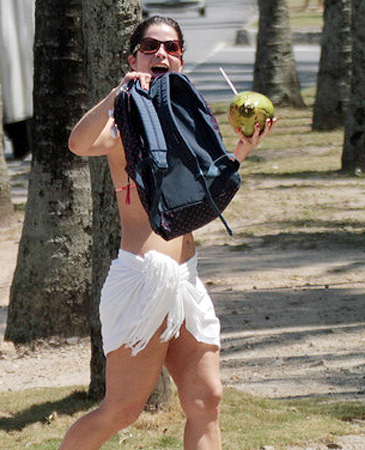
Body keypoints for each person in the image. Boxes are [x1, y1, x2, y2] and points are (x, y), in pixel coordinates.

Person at [60, 16, 275, 449]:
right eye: (150, 47)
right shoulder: (124, 118)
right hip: (143, 275)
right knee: (122, 410)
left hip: (186, 277)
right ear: (133, 57)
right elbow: (79, 144)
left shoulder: (187, 117)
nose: (161, 54)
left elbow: (204, 194)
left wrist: (240, 152)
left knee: (206, 399)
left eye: (171, 48)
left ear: (180, 57)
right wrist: (117, 93)